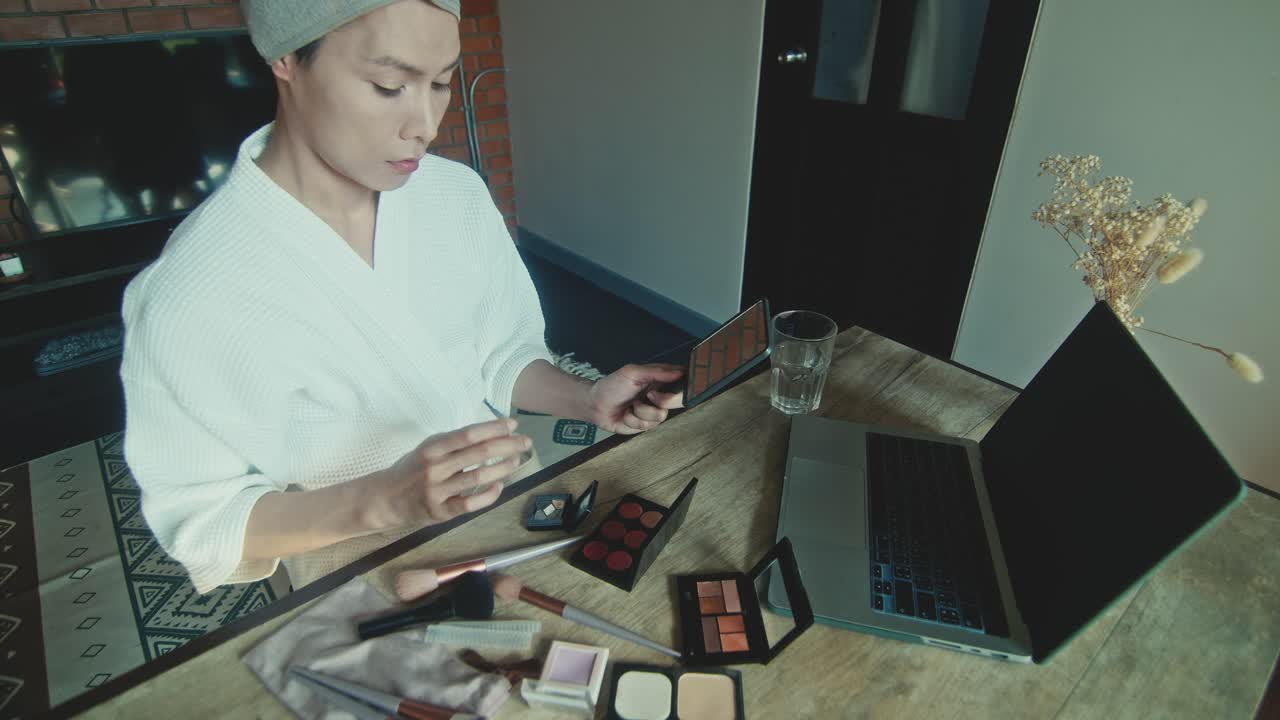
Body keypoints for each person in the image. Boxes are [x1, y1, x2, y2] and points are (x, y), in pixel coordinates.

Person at [119, 0, 684, 594]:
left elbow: (499, 354)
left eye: (441, 83)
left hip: (506, 502)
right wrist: (383, 501)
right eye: (389, 85)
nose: (425, 124)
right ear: (286, 59)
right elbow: (205, 522)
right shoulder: (190, 291)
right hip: (349, 556)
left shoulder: (454, 196)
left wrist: (586, 398)